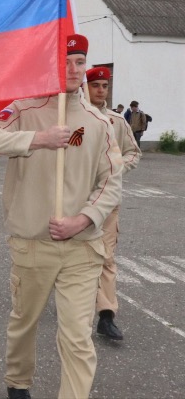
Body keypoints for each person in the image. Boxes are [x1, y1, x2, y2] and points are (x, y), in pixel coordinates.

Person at [0, 34, 123, 399]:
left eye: (80, 62)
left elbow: (111, 182)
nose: (73, 70)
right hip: (32, 243)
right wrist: (37, 139)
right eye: (66, 61)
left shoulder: (98, 122)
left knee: (77, 337)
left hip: (82, 248)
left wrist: (84, 219)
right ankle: (18, 384)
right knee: (24, 323)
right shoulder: (23, 109)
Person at [87, 66, 141, 341]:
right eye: (94, 85)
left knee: (106, 257)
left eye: (103, 86)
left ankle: (106, 316)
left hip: (107, 201)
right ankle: (73, 299)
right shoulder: (73, 117)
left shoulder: (118, 121)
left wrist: (117, 168)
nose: (100, 90)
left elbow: (133, 152)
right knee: (69, 257)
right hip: (75, 200)